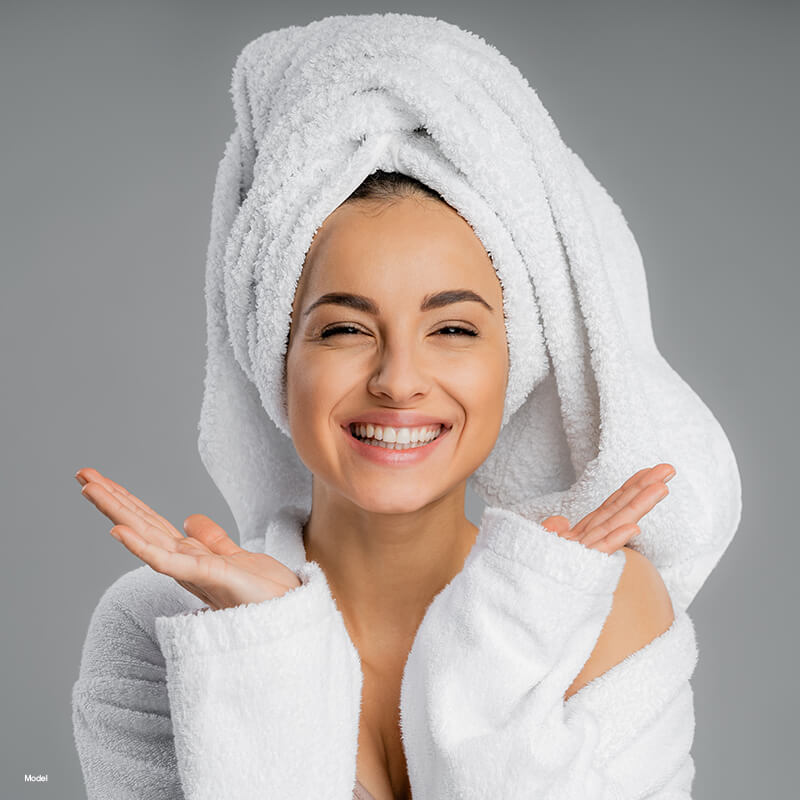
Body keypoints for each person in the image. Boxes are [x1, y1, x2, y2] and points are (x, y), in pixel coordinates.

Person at [72, 13, 740, 800]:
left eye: (453, 329)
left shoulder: (602, 613)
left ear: (514, 362)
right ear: (277, 359)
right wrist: (266, 650)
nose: (398, 379)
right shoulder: (162, 628)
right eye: (345, 329)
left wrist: (504, 643)